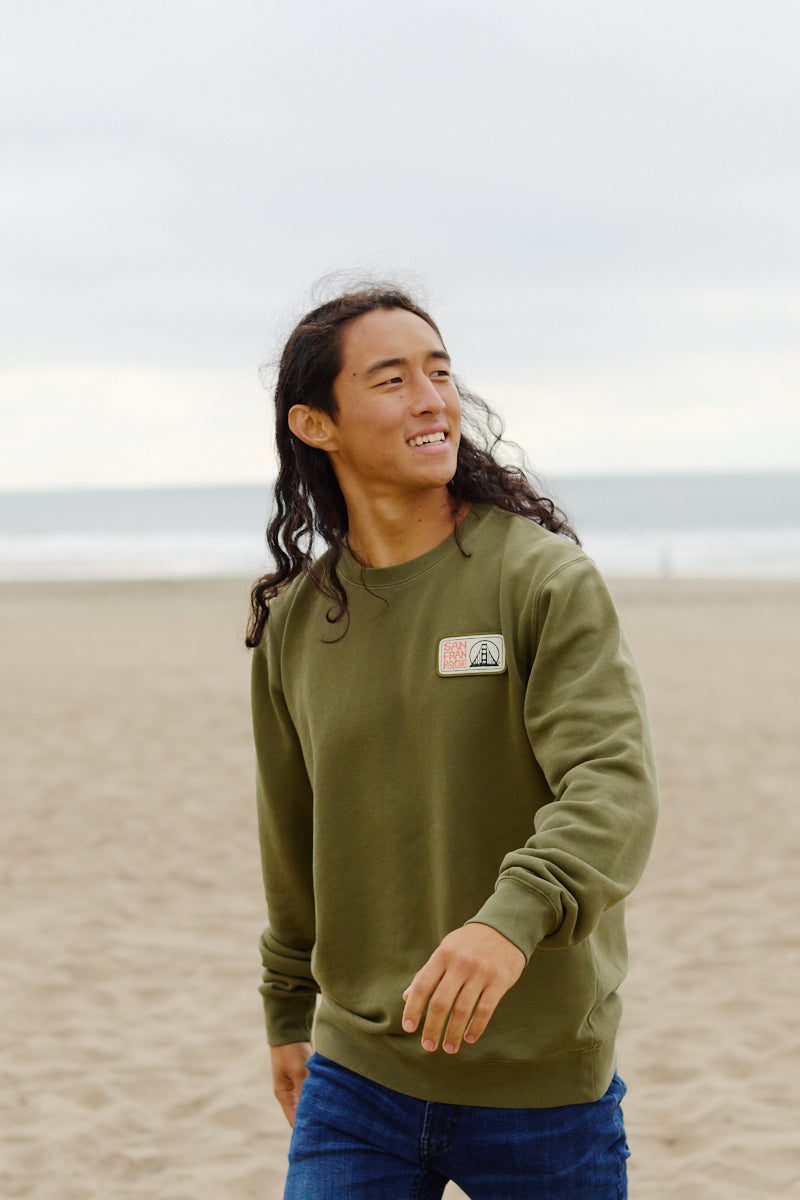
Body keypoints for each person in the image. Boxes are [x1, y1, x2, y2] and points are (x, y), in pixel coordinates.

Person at [247, 284, 658, 1199]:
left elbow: (612, 786)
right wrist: (287, 1007)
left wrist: (509, 921)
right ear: (316, 424)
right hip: (357, 1077)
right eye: (392, 379)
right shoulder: (297, 623)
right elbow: (291, 834)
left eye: (440, 373)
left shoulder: (542, 581)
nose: (433, 399)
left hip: (541, 1084)